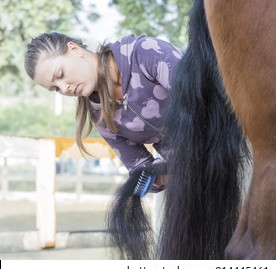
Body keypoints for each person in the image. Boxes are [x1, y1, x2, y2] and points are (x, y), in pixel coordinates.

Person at [24, 31, 183, 192]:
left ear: (74, 49)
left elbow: (202, 98)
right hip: (193, 172)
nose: (65, 88)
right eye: (56, 88)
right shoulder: (100, 116)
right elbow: (139, 166)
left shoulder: (145, 53)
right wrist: (159, 176)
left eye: (61, 74)